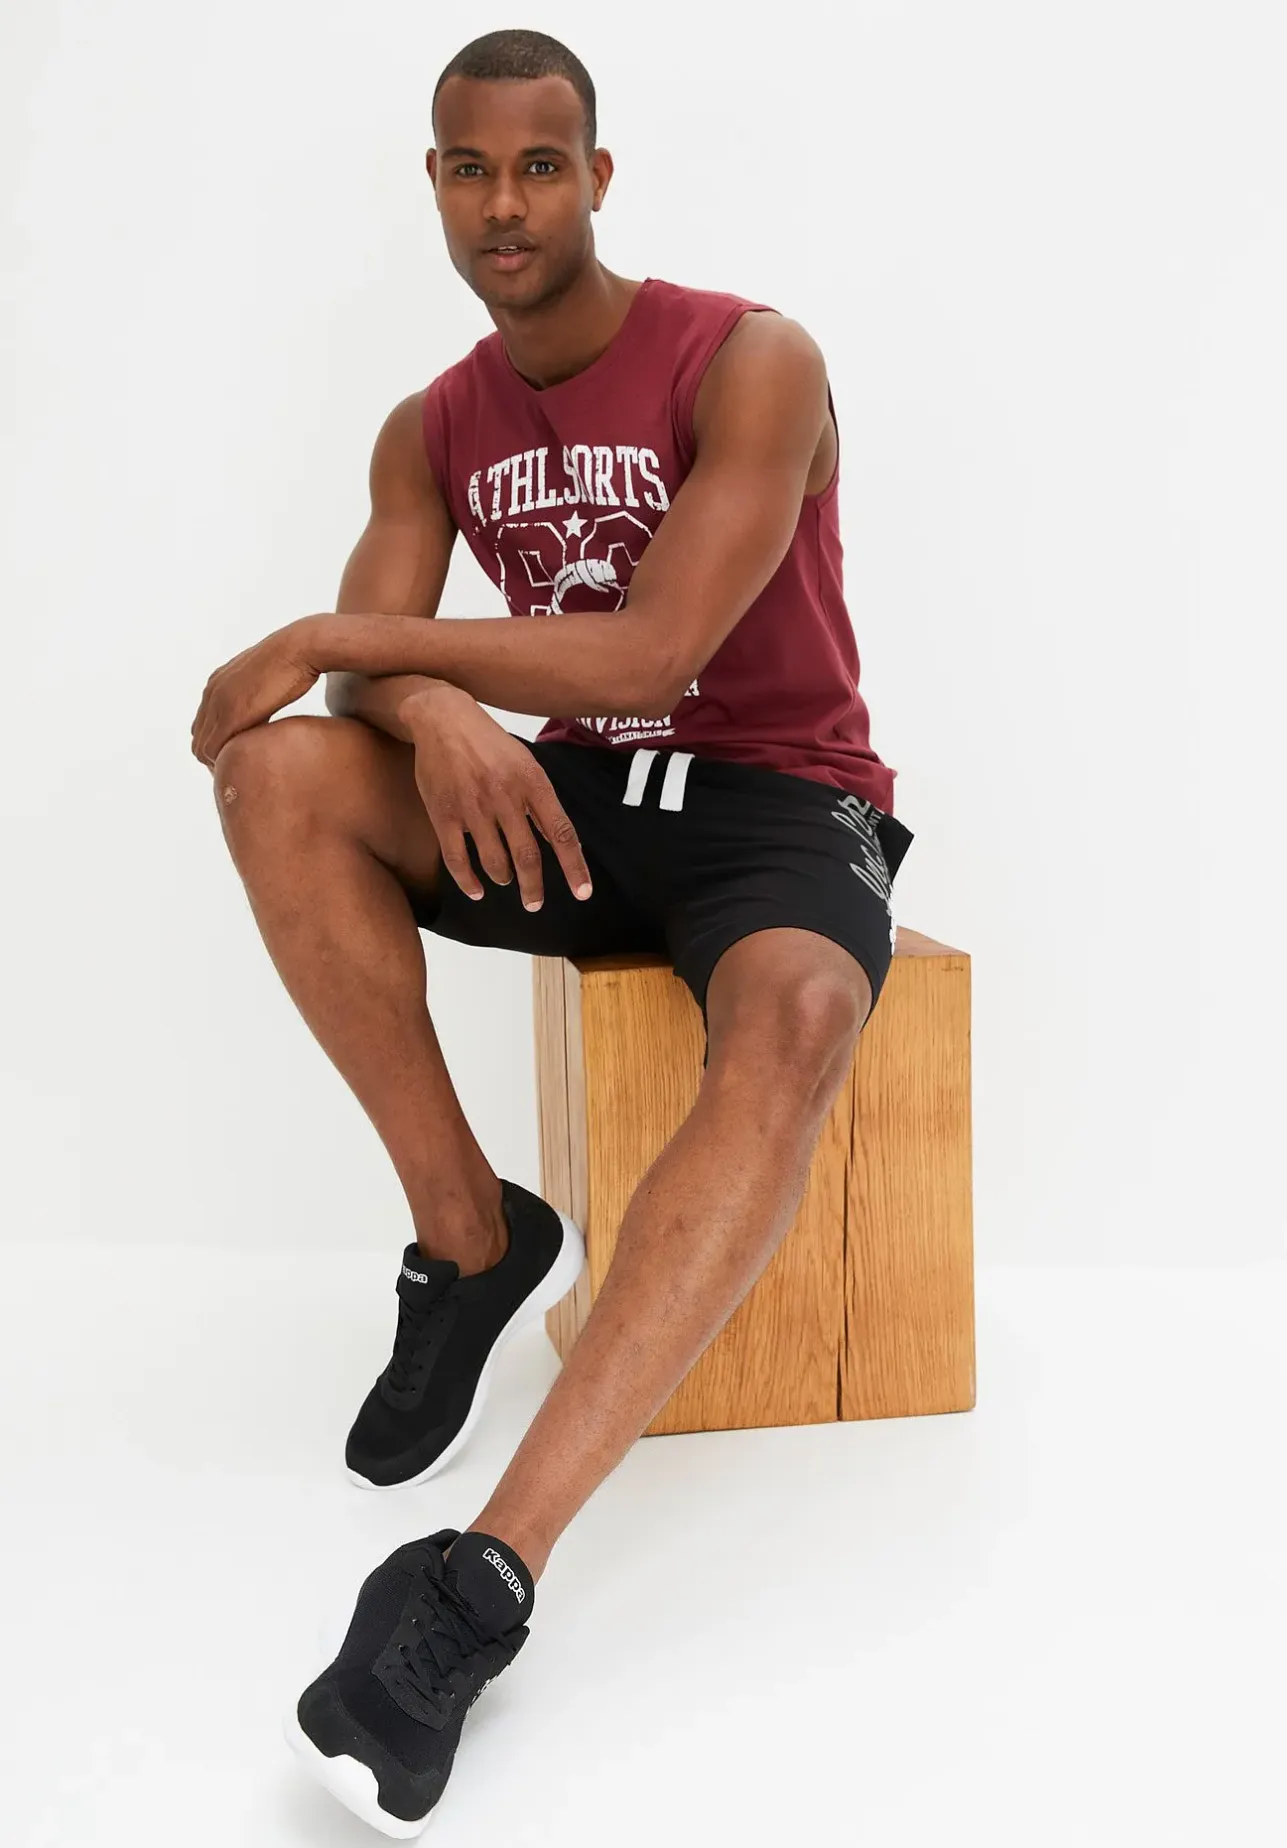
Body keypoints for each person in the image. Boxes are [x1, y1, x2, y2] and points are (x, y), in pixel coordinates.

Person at [192, 26, 915, 1837]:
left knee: (797, 1018)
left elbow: (658, 648)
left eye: (538, 165)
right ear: (433, 186)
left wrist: (363, 651)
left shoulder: (751, 358)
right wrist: (425, 702)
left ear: (598, 177)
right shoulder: (430, 424)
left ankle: (483, 1579)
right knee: (280, 780)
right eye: (469, 168)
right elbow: (345, 691)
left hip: (776, 798)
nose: (503, 203)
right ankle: (470, 1235)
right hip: (575, 792)